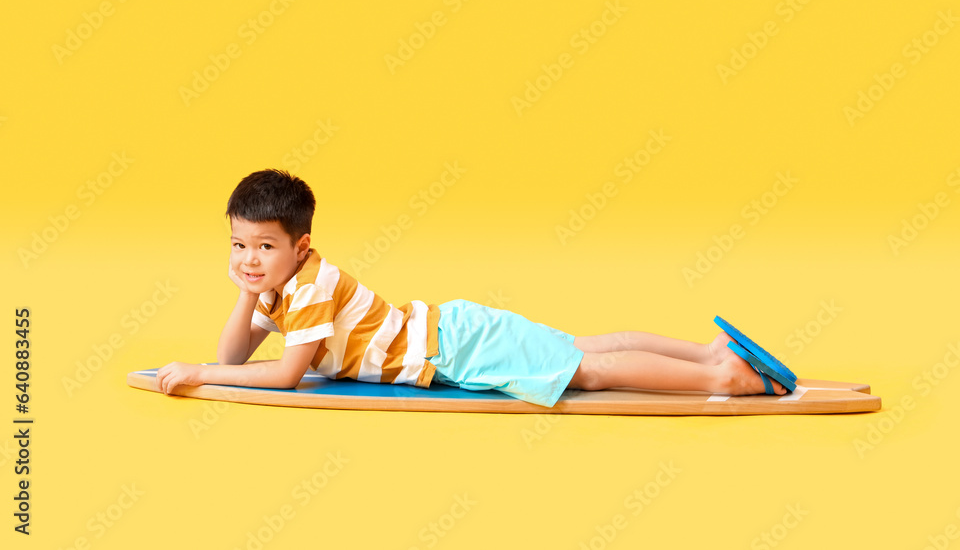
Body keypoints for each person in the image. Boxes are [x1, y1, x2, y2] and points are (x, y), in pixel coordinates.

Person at [155, 169, 785, 408]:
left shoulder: (313, 284)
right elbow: (235, 356)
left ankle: (721, 379)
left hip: (451, 348)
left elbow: (284, 374)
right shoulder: (276, 288)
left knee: (582, 370)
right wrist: (243, 292)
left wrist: (198, 374)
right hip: (450, 336)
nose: (251, 258)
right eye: (240, 245)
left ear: (301, 247)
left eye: (264, 246)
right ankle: (707, 356)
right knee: (576, 347)